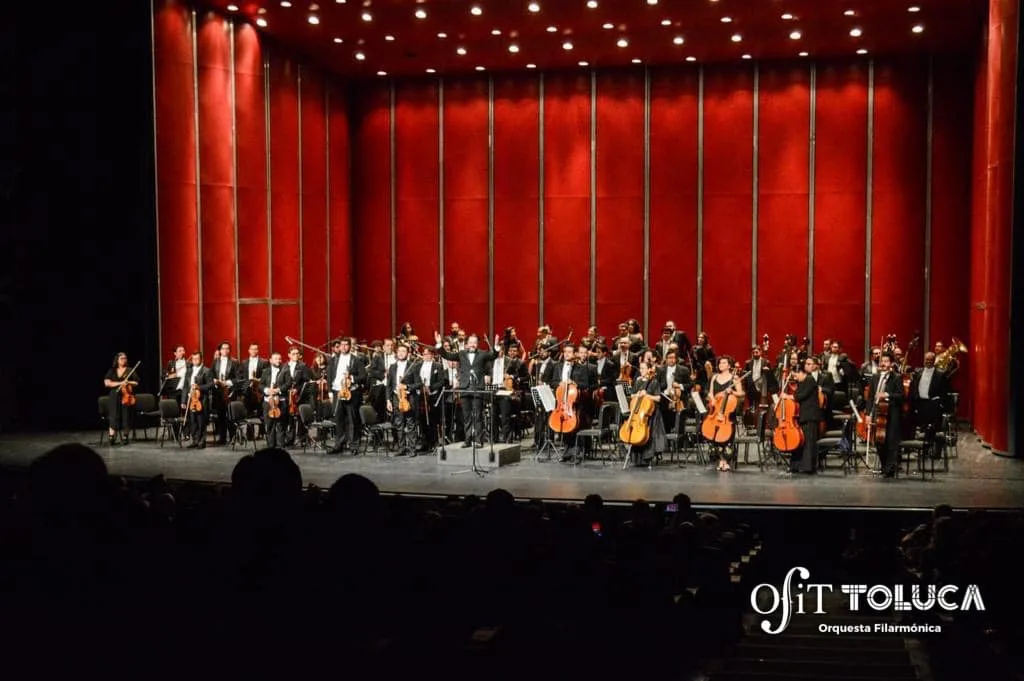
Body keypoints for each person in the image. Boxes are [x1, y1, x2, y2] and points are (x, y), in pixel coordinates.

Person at [863, 351, 904, 478]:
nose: (884, 363)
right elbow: (870, 397)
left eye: (886, 361)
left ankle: (889, 469)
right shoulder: (875, 377)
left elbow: (901, 396)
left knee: (890, 442)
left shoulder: (896, 377)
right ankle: (884, 466)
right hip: (877, 411)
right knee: (879, 441)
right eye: (882, 361)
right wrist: (868, 413)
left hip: (891, 413)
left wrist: (887, 395)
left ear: (891, 363)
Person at [705, 356, 745, 472]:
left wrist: (732, 391)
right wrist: (712, 399)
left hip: (728, 411)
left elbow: (741, 393)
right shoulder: (714, 377)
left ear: (729, 365)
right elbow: (711, 393)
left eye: (724, 363)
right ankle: (720, 460)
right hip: (716, 411)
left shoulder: (735, 377)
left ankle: (726, 461)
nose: (721, 364)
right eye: (720, 363)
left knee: (726, 438)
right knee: (715, 437)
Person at [624, 361, 667, 468]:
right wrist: (637, 394)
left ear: (649, 370)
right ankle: (637, 458)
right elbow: (632, 395)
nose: (641, 371)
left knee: (649, 434)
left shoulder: (654, 382)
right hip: (639, 412)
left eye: (643, 368)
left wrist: (647, 395)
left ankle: (648, 457)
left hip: (651, 413)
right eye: (640, 368)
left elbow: (658, 398)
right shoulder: (638, 382)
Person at [782, 359, 821, 474]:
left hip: (810, 415)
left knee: (808, 442)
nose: (795, 378)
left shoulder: (809, 380)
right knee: (800, 442)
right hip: (803, 415)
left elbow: (800, 396)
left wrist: (788, 396)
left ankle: (808, 467)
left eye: (796, 375)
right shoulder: (804, 382)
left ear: (801, 373)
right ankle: (797, 465)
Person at [103, 352, 139, 445]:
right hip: (114, 395)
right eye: (122, 358)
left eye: (125, 358)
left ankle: (125, 436)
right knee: (114, 415)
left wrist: (128, 382)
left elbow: (136, 382)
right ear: (117, 360)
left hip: (126, 395)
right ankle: (112, 437)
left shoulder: (130, 370)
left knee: (126, 415)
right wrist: (120, 383)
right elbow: (107, 383)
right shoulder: (112, 370)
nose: (124, 360)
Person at [182, 351, 213, 448]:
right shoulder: (189, 370)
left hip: (202, 399)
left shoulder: (206, 371)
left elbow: (210, 385)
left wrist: (199, 387)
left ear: (201, 359)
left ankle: (201, 441)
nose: (195, 361)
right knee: (193, 421)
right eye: (193, 359)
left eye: (197, 359)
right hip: (191, 399)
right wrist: (183, 401)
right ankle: (195, 440)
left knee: (201, 421)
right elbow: (185, 386)